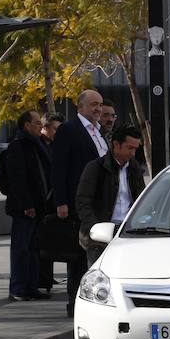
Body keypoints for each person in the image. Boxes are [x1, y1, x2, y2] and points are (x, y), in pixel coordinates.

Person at [52, 89, 107, 316]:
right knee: (77, 257)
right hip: (78, 203)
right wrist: (61, 201)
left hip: (100, 204)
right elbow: (59, 167)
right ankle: (74, 305)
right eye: (93, 104)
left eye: (100, 104)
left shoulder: (99, 131)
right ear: (81, 106)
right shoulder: (69, 130)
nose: (98, 108)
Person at [75, 125, 145, 265]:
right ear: (116, 145)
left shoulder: (134, 167)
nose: (133, 153)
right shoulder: (95, 168)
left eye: (136, 149)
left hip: (128, 231)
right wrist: (95, 229)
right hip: (101, 235)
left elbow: (142, 198)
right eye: (130, 148)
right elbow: (83, 202)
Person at [5, 111, 53, 301]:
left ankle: (31, 287)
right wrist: (26, 204)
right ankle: (18, 288)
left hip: (38, 206)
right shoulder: (18, 146)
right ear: (26, 125)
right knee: (21, 249)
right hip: (25, 208)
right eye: (36, 123)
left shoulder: (36, 144)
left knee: (33, 249)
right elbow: (17, 179)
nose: (40, 126)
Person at [38, 111, 64, 293]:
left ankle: (46, 278)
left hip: (51, 198)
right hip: (43, 200)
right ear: (45, 127)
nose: (57, 133)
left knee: (51, 241)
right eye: (55, 129)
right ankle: (42, 279)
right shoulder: (39, 146)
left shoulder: (55, 145)